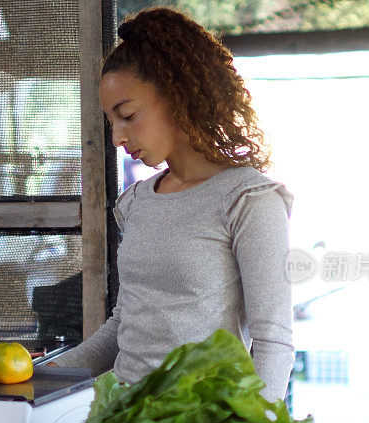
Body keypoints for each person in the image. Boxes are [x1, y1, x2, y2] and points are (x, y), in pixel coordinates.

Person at [63, 7, 294, 402]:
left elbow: (273, 341)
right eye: (110, 122)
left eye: (128, 115)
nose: (117, 136)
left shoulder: (247, 200)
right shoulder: (136, 202)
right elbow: (124, 325)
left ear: (178, 94)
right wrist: (42, 374)